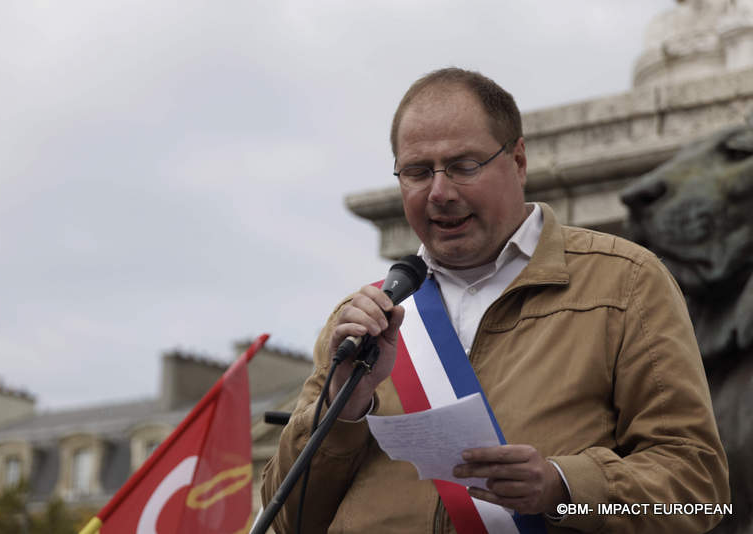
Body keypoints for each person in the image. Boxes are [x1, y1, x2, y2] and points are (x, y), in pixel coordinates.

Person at [261, 68, 729, 533]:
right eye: (418, 172)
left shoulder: (624, 282)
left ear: (519, 161)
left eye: (464, 166)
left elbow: (697, 496)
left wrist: (564, 488)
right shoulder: (364, 319)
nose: (439, 192)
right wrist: (344, 407)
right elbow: (284, 520)